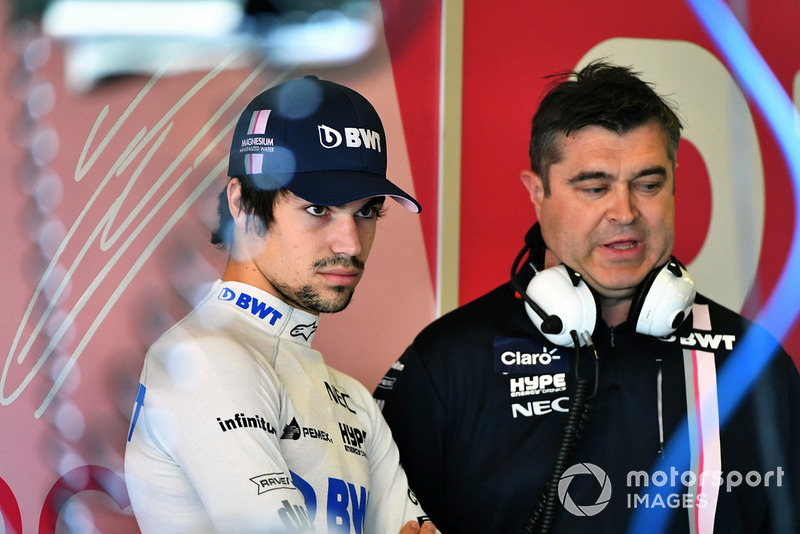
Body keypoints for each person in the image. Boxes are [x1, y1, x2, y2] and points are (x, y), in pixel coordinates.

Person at [374, 61, 800, 533]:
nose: (625, 212)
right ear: (538, 192)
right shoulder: (448, 361)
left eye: (648, 184)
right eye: (595, 187)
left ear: (674, 184)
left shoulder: (755, 365)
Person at [125, 75, 437, 534]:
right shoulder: (204, 357)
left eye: (366, 211)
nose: (350, 243)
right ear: (242, 203)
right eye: (318, 209)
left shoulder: (353, 400)